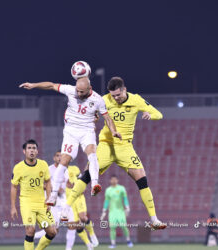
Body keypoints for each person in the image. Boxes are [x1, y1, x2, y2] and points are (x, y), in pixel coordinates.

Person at [65, 76, 166, 230]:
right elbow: (90, 114)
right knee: (87, 175)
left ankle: (154, 219)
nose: (116, 98)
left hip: (125, 147)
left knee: (142, 179)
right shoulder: (104, 99)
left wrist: (150, 115)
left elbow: (159, 114)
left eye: (118, 95)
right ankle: (65, 209)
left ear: (124, 89)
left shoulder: (136, 100)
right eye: (113, 96)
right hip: (106, 145)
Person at [19, 77, 122, 211]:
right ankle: (53, 195)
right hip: (71, 131)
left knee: (92, 153)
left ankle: (95, 185)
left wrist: (113, 131)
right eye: (77, 91)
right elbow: (51, 85)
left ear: (89, 89)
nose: (78, 94)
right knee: (64, 161)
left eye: (81, 92)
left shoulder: (98, 99)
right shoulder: (70, 90)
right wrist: (33, 84)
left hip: (87, 130)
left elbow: (107, 117)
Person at [10, 139, 57, 250]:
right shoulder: (18, 168)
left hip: (41, 204)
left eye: (34, 148)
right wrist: (13, 207)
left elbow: (48, 182)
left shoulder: (43, 165)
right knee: (30, 230)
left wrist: (49, 199)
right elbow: (14, 187)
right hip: (27, 203)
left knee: (52, 232)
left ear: (37, 151)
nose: (32, 150)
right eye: (29, 148)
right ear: (24, 151)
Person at [34, 150, 76, 250]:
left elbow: (68, 184)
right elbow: (40, 185)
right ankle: (34, 236)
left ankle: (68, 249)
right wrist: (54, 189)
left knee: (72, 224)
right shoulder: (48, 170)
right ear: (54, 158)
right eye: (58, 156)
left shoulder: (67, 170)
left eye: (62, 156)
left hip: (64, 201)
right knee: (53, 229)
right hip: (52, 202)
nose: (60, 158)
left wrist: (74, 184)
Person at [65, 165, 99, 250]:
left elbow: (82, 179)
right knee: (77, 225)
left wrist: (82, 187)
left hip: (78, 196)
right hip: (67, 200)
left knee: (83, 217)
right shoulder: (56, 171)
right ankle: (88, 244)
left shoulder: (75, 168)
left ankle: (92, 234)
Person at [100, 175, 133, 248]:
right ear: (110, 181)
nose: (114, 181)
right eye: (112, 179)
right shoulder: (108, 190)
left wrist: (127, 207)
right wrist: (104, 210)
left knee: (123, 226)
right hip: (112, 212)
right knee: (112, 227)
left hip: (120, 211)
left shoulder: (121, 188)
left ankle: (128, 240)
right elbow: (106, 201)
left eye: (115, 179)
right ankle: (113, 243)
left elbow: (125, 198)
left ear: (117, 180)